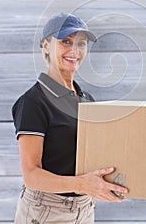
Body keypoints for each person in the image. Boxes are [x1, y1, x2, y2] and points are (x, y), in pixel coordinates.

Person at [12, 13, 128, 224]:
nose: (75, 50)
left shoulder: (86, 100)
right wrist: (83, 185)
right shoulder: (33, 102)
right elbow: (31, 175)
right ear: (46, 45)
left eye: (81, 43)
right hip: (45, 209)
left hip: (85, 207)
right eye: (66, 42)